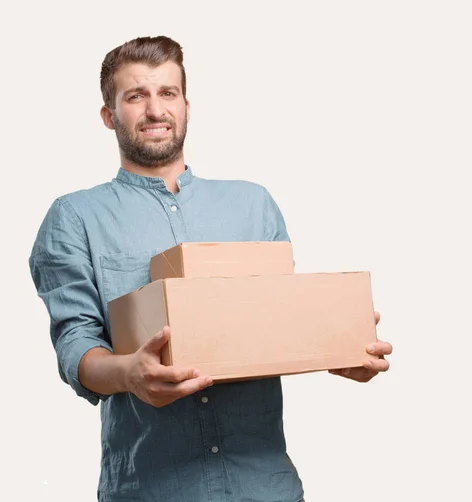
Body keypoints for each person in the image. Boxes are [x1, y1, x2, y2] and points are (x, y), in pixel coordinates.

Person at [29, 35, 393, 502]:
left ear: (186, 105)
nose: (155, 110)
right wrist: (129, 375)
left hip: (266, 486)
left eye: (168, 93)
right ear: (109, 115)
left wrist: (341, 347)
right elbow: (76, 344)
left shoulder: (252, 203)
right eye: (136, 96)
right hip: (152, 489)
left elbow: (282, 322)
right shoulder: (74, 216)